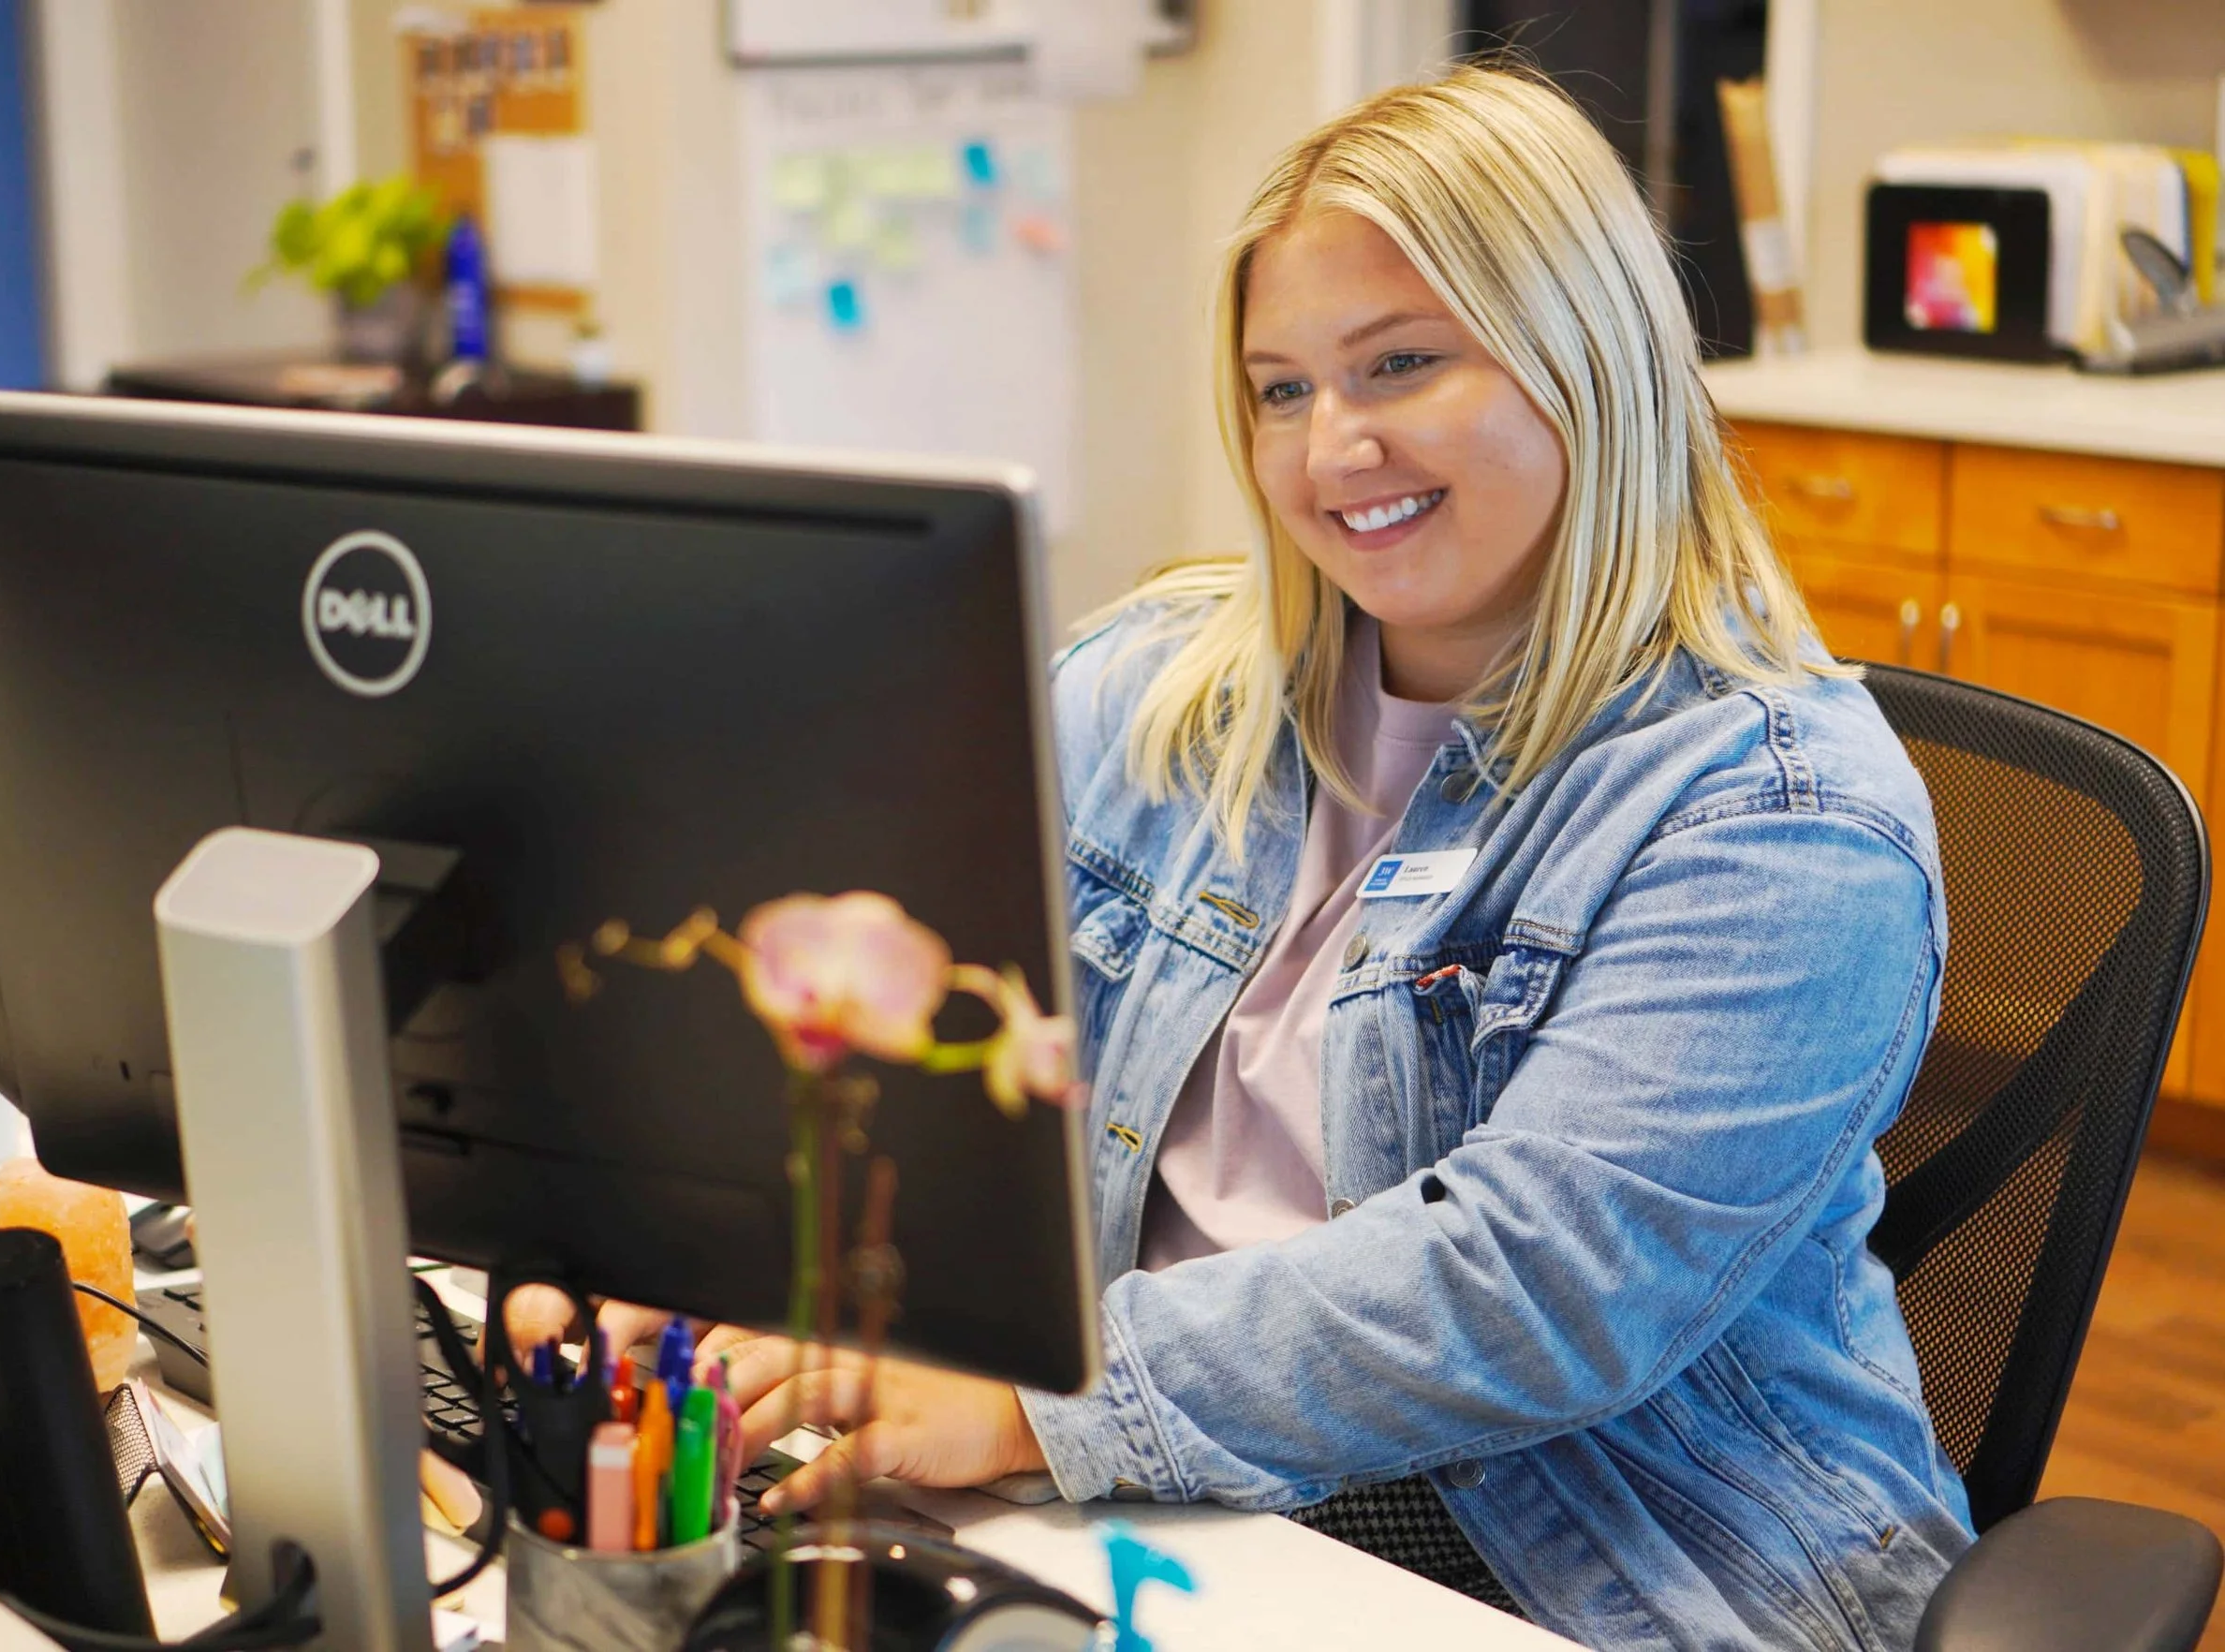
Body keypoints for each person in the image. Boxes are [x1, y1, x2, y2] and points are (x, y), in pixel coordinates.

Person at [644, 65, 1975, 1649]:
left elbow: (1535, 1289)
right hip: (1161, 1497)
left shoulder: (1781, 816)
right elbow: (897, 1024)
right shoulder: (1151, 694)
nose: (1332, 447)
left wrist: (1041, 1400)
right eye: (1281, 390)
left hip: (1599, 1567)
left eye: (1399, 364)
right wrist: (655, 1247)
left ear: (1586, 358)